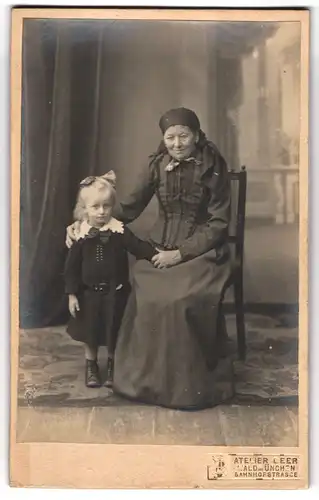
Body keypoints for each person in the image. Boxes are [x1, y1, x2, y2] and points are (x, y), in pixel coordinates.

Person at [66, 108, 234, 410]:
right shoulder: (157, 166)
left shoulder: (213, 167)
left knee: (178, 299)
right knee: (147, 290)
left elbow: (219, 223)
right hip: (158, 247)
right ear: (164, 140)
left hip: (202, 251)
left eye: (184, 136)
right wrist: (84, 223)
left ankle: (185, 385)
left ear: (196, 136)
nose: (177, 143)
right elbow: (128, 208)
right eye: (171, 137)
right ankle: (144, 381)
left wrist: (180, 254)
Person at [64, 171, 157, 388]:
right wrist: (71, 294)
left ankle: (114, 364)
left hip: (115, 292)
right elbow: (71, 268)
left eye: (106, 206)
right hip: (88, 294)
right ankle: (91, 365)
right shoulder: (81, 235)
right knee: (90, 333)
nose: (101, 212)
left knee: (114, 329)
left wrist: (156, 255)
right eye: (95, 207)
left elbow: (138, 246)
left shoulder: (119, 230)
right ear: (84, 209)